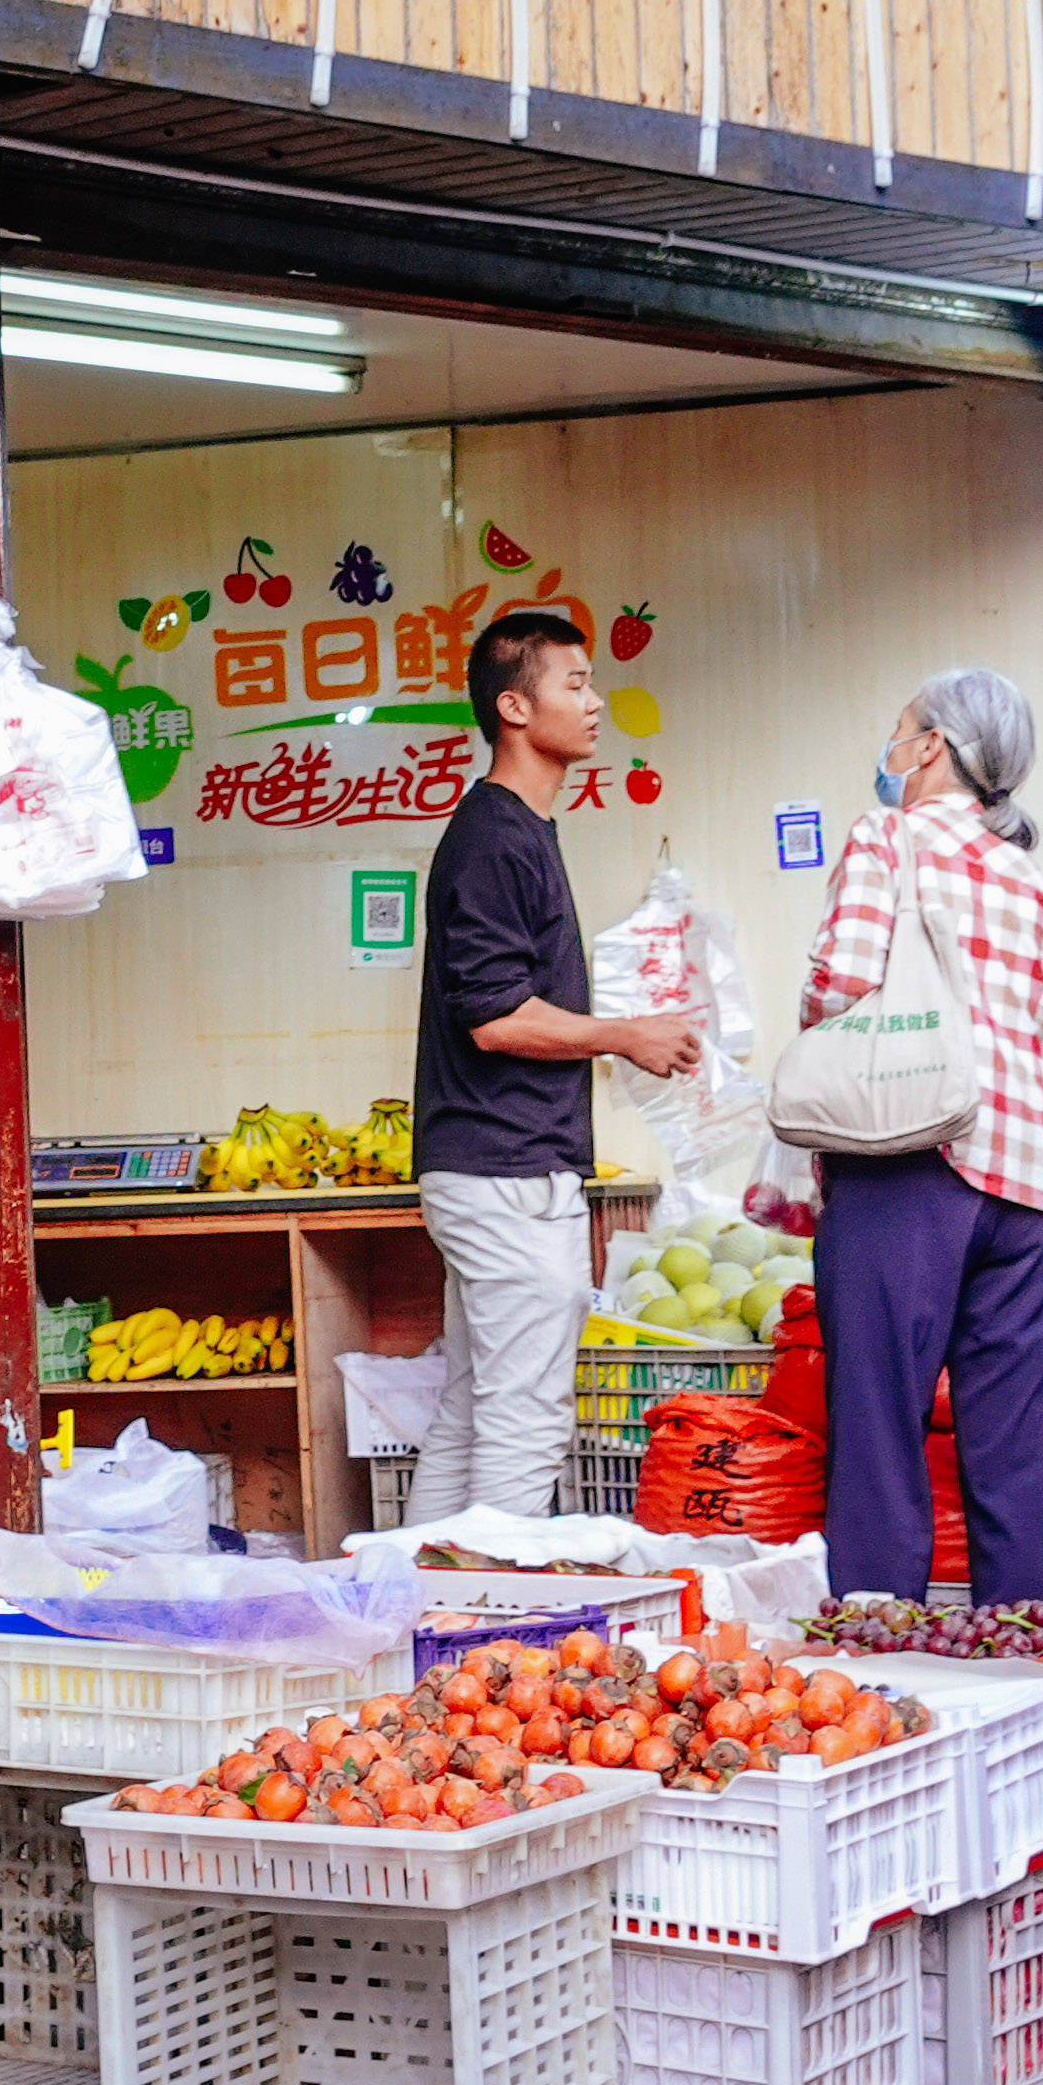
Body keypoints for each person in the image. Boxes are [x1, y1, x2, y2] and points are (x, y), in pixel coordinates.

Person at [796, 667, 1043, 1604]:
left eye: (900, 730)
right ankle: (1026, 1658)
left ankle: (884, 1673)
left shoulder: (890, 836)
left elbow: (840, 987)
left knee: (881, 1431)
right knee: (1015, 1448)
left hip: (912, 1165)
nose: (890, 751)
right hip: (1030, 1186)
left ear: (931, 748)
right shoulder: (1037, 883)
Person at [410, 608, 705, 1521]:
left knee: (471, 1412)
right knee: (526, 1419)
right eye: (573, 685)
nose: (595, 702)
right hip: (504, 1174)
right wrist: (625, 1033)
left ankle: (424, 1613)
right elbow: (494, 1019)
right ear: (512, 706)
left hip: (494, 1170)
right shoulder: (496, 838)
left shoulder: (520, 829)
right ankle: (488, 1629)